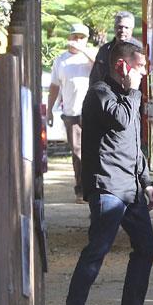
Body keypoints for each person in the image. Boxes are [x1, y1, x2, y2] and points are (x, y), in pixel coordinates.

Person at [62, 41, 153, 305]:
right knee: (97, 250)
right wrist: (133, 90)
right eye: (140, 66)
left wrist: (146, 181)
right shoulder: (100, 94)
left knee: (146, 247)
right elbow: (121, 121)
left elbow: (134, 144)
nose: (145, 72)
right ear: (122, 66)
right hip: (107, 186)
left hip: (130, 188)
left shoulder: (127, 97)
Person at [47, 23, 97, 203]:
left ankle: (95, 189)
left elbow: (100, 64)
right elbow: (54, 86)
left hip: (92, 111)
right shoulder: (61, 60)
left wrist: (83, 50)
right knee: (77, 152)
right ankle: (81, 190)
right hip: (71, 112)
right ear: (69, 37)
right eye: (75, 37)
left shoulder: (90, 57)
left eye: (82, 37)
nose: (78, 40)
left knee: (94, 151)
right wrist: (50, 110)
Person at [89, 11, 139, 85]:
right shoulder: (105, 50)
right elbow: (95, 77)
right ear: (114, 28)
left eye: (126, 27)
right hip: (107, 94)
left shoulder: (138, 50)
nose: (122, 31)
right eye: (120, 27)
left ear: (132, 29)